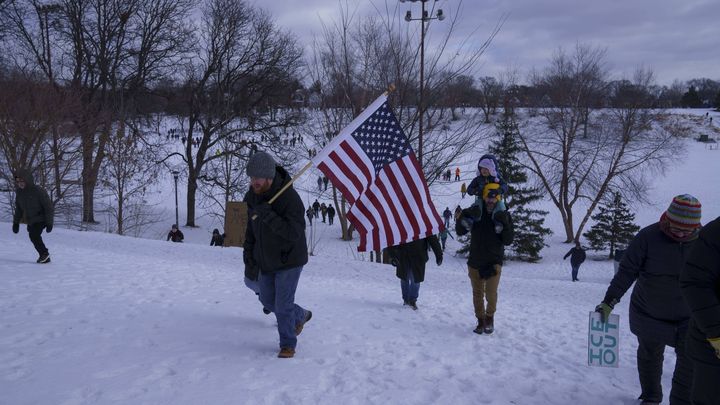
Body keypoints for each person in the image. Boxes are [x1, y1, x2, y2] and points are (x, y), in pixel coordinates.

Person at [595, 194, 702, 405]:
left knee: (688, 360)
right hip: (649, 312)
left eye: (686, 230)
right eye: (676, 227)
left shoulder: (705, 241)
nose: (680, 233)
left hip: (688, 315)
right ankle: (651, 397)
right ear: (668, 219)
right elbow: (627, 271)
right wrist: (609, 301)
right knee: (649, 355)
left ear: (696, 226)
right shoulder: (648, 237)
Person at [243, 151, 312, 359]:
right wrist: (249, 255)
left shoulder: (289, 197)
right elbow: (251, 231)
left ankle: (287, 344)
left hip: (289, 259)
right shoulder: (253, 198)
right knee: (267, 300)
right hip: (266, 260)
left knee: (282, 304)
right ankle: (299, 315)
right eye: (252, 177)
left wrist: (269, 215)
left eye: (258, 178)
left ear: (269, 177)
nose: (254, 182)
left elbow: (294, 232)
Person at [456, 183, 514, 335]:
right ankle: (480, 321)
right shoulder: (476, 211)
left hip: (493, 261)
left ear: (498, 198)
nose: (490, 201)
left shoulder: (503, 215)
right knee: (477, 294)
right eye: (488, 197)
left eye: (494, 198)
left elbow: (508, 240)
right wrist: (463, 217)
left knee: (490, 293)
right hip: (475, 260)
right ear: (484, 196)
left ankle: (489, 318)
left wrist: (505, 224)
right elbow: (460, 231)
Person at [680, 216, 720, 405]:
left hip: (687, 319)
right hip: (710, 341)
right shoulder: (715, 232)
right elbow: (695, 282)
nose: (681, 234)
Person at [387, 236, 443, 310]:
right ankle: (406, 300)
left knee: (415, 280)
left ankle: (412, 300)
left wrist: (439, 255)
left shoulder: (424, 225)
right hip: (403, 256)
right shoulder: (401, 224)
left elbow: (433, 240)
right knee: (404, 278)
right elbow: (392, 237)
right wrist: (393, 256)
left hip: (418, 257)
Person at [12, 169, 54, 263]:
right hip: (31, 220)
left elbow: (48, 207)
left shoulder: (38, 191)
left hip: (41, 218)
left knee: (34, 234)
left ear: (27, 180)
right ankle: (44, 256)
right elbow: (18, 208)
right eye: (18, 181)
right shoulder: (19, 192)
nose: (20, 183)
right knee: (32, 235)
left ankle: (44, 254)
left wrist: (49, 223)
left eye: (22, 181)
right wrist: (16, 223)